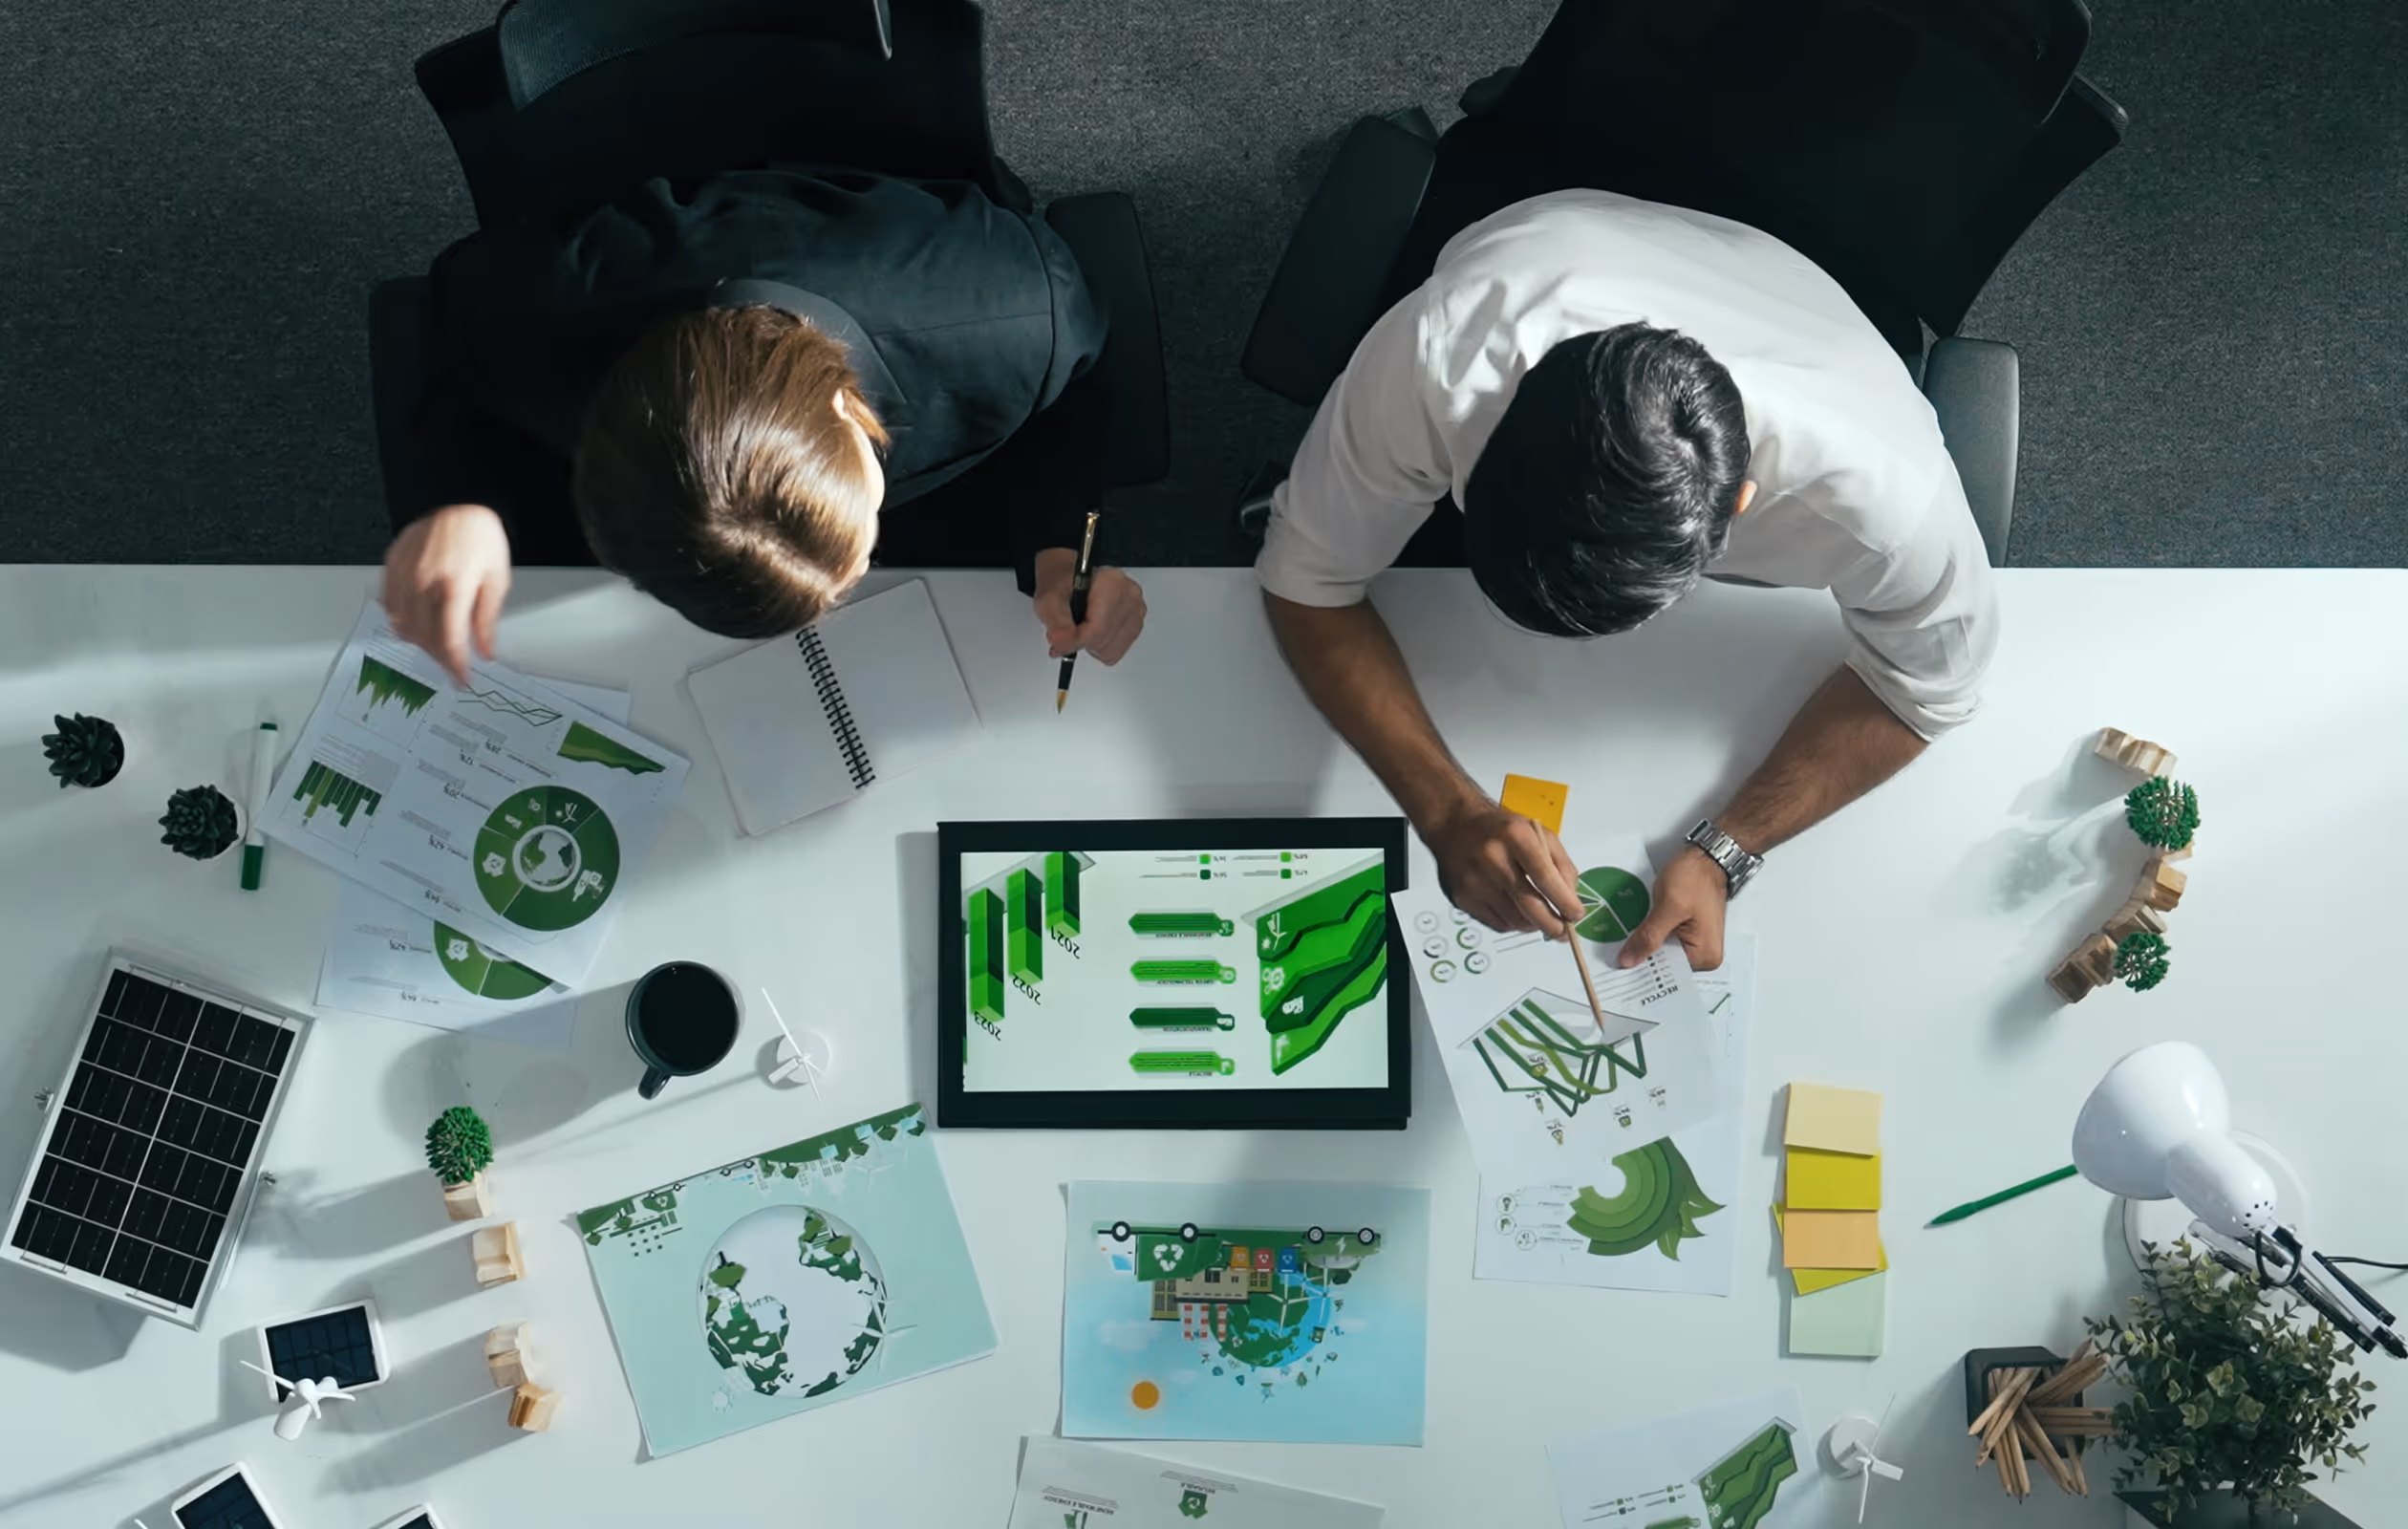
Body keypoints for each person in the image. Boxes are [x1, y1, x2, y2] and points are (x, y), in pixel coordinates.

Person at [1258, 189, 1997, 971]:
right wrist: (1445, 811)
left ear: (1740, 507)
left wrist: (1726, 849)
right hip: (1551, 235)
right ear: (1494, 423)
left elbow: (1926, 693)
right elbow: (1306, 580)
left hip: (1804, 301)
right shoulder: (1442, 353)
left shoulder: (1890, 505)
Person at [379, 166, 1147, 683]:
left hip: (917, 247)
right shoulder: (531, 307)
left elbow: (1074, 396)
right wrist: (460, 501)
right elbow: (446, 335)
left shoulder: (1024, 316)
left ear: (850, 409)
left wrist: (1065, 546)